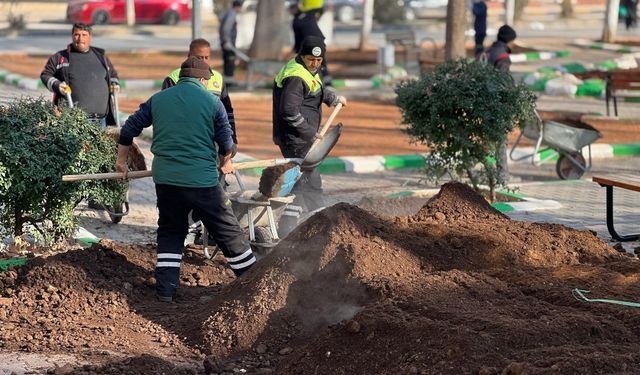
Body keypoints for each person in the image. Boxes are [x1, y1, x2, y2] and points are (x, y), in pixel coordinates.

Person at [115, 57, 256, 302]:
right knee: (228, 231)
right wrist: (226, 162)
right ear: (203, 79)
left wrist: (121, 161)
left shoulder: (158, 99)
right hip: (202, 181)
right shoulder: (213, 103)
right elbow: (226, 143)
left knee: (171, 230)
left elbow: (128, 130)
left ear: (181, 77)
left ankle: (166, 291)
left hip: (166, 181)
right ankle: (254, 282)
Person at [272, 36, 346, 214]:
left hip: (301, 137)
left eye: (319, 60)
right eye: (311, 59)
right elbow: (289, 112)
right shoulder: (295, 77)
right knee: (312, 184)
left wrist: (332, 98)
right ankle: (323, 221)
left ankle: (287, 227)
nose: (315, 64)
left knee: (299, 186)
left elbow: (315, 88)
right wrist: (310, 133)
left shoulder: (306, 70)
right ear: (302, 56)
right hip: (296, 139)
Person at [40, 23, 120, 128]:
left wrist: (114, 83)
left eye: (84, 35)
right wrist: (57, 85)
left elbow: (112, 74)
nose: (80, 38)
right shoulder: (61, 57)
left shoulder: (101, 57)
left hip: (101, 120)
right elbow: (46, 75)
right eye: (77, 35)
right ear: (72, 36)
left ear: (90, 37)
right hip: (73, 120)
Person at [162, 38, 238, 146]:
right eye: (199, 58)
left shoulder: (218, 79)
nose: (203, 61)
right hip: (183, 141)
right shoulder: (174, 78)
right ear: (189, 56)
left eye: (206, 57)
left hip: (213, 141)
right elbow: (166, 113)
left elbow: (227, 112)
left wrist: (232, 140)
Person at [485, 24, 517, 183]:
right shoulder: (503, 57)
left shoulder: (489, 51)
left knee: (488, 139)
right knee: (500, 139)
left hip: (484, 99)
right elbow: (504, 82)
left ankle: (490, 173)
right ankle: (502, 177)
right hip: (497, 103)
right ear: (509, 40)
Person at [290, 1, 332, 85]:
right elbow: (320, 10)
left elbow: (298, 39)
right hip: (318, 40)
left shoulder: (297, 20)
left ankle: (322, 80)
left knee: (311, 61)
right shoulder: (308, 15)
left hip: (311, 42)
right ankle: (325, 80)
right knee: (319, 61)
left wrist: (296, 50)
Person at [219, 0, 243, 83]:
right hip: (228, 42)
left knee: (227, 61)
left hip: (226, 42)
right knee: (230, 61)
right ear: (238, 7)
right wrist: (226, 41)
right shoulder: (232, 14)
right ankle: (229, 81)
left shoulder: (228, 13)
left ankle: (227, 80)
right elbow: (226, 28)